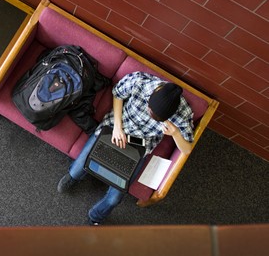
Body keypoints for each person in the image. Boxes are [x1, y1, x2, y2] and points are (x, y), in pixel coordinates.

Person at [57, 71, 194, 225]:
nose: (150, 114)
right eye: (150, 110)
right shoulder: (140, 81)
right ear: (154, 93)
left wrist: (175, 133)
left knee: (115, 198)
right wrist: (117, 127)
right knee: (78, 168)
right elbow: (117, 94)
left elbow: (187, 149)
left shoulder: (183, 113)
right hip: (115, 128)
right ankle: (73, 177)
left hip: (140, 145)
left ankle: (95, 217)